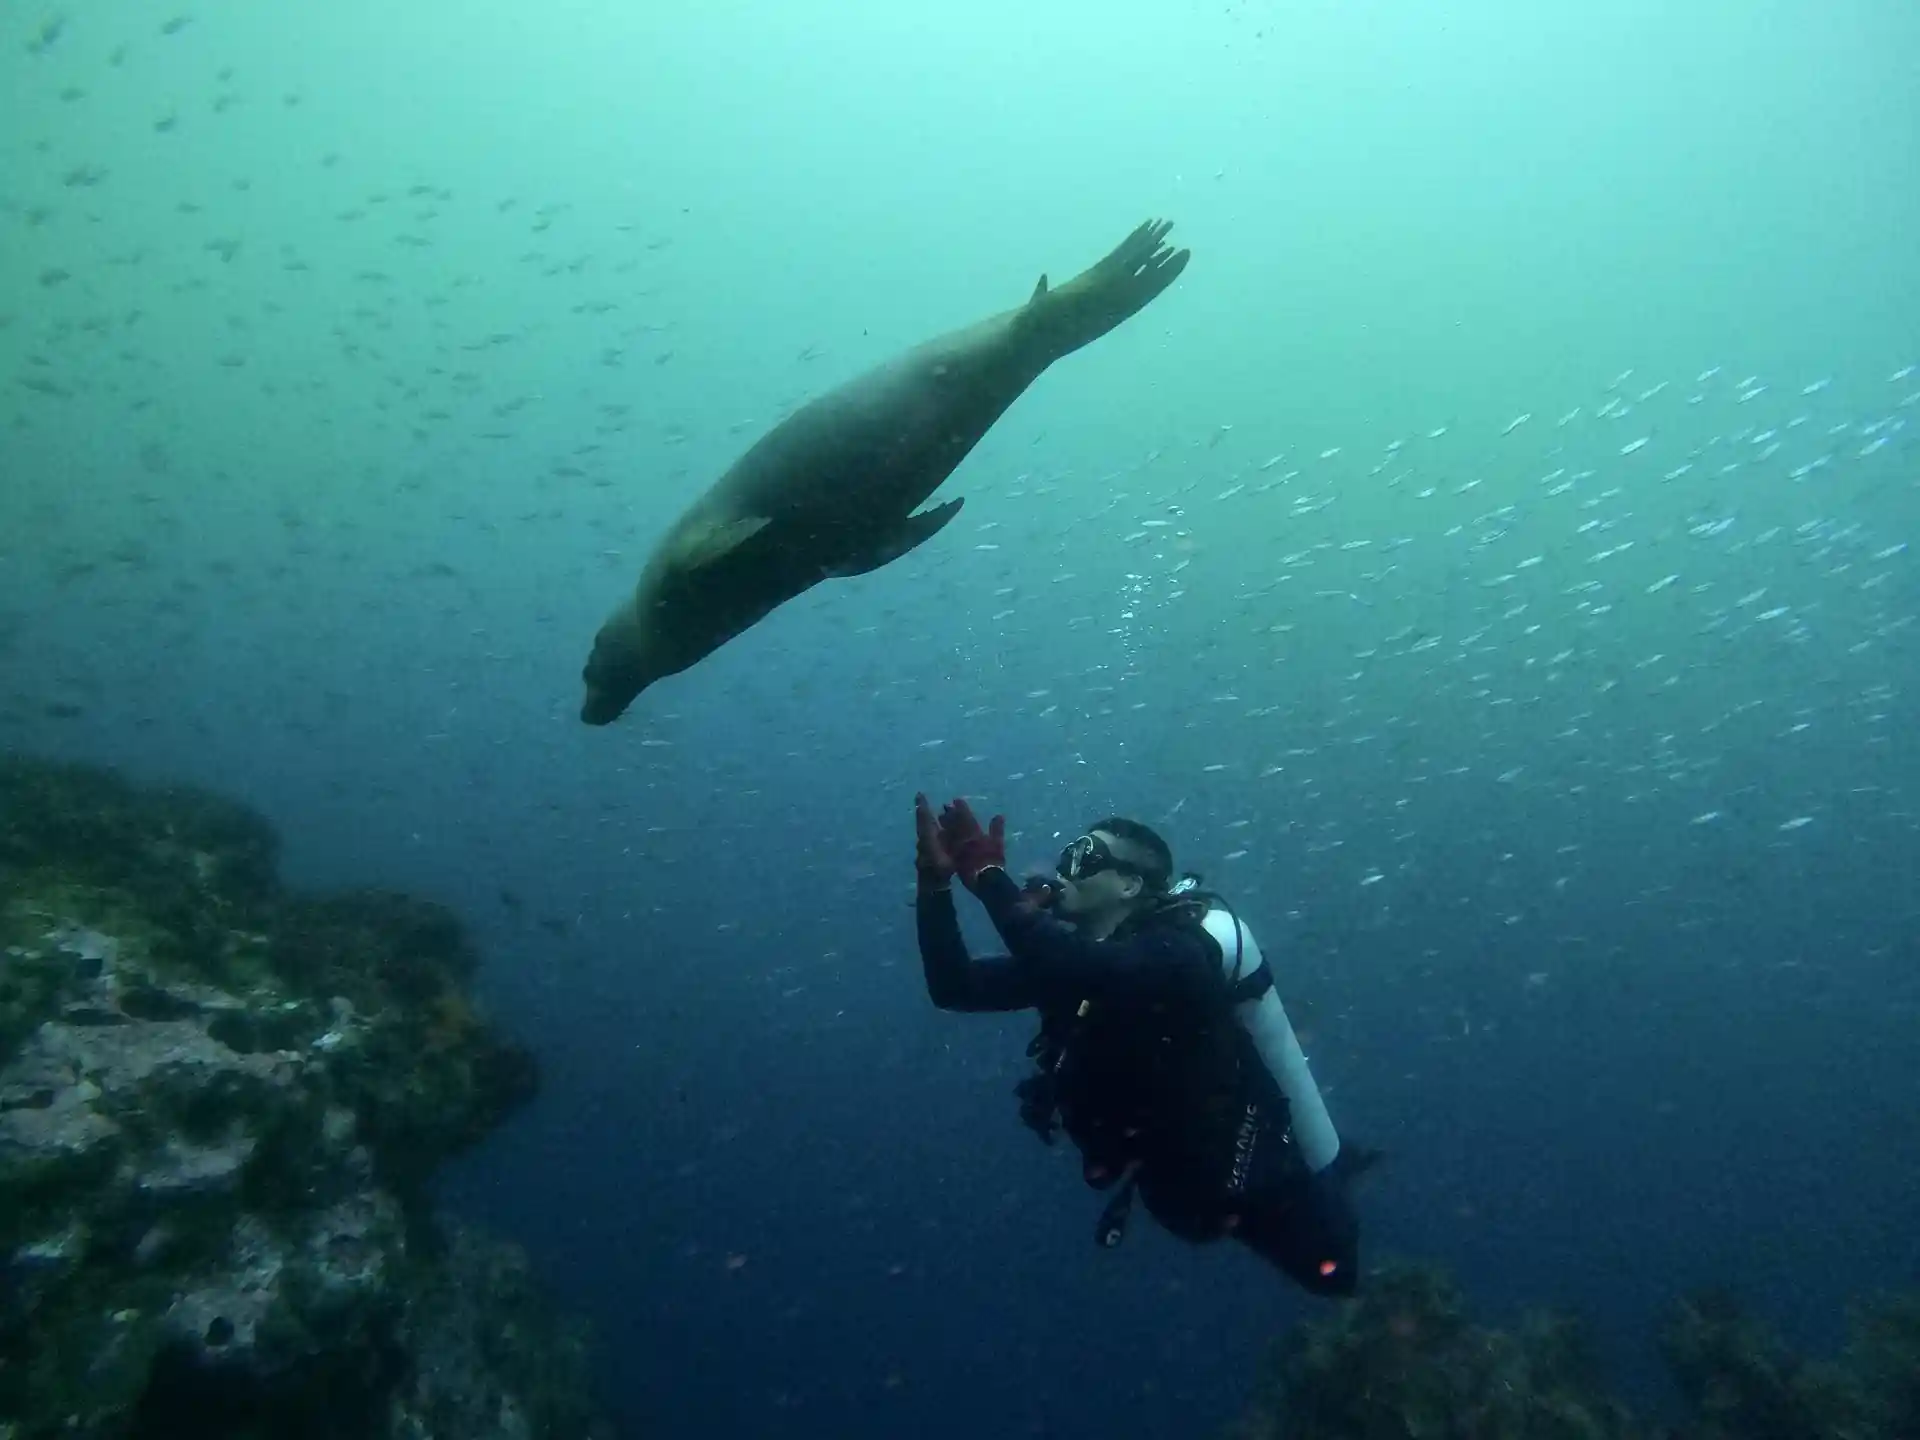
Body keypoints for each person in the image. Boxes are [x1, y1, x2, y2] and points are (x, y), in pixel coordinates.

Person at [913, 792, 1371, 1297]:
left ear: (1131, 884)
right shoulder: (1073, 961)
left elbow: (1079, 966)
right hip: (1175, 1188)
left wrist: (987, 875)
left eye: (1086, 857)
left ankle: (1342, 1178)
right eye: (1067, 857)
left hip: (1251, 1175)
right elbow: (954, 986)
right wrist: (934, 888)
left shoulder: (1176, 953)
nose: (1067, 868)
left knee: (1338, 1275)